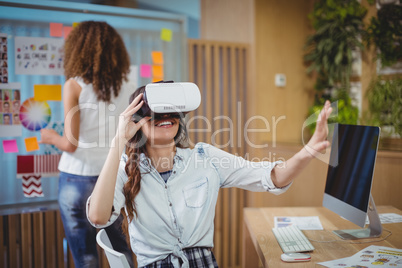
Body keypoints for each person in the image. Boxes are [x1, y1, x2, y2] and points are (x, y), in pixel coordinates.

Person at [87, 83, 333, 267]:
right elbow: (98, 217)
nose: (166, 118)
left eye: (173, 112)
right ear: (138, 120)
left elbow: (271, 177)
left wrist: (307, 152)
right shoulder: (127, 169)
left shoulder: (205, 158)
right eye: (157, 112)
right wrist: (119, 140)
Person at [39, 21, 134, 268]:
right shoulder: (129, 85)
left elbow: (70, 144)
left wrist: (49, 137)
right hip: (113, 176)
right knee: (122, 250)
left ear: (77, 49)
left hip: (76, 178)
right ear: (116, 51)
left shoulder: (74, 85)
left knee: (86, 256)